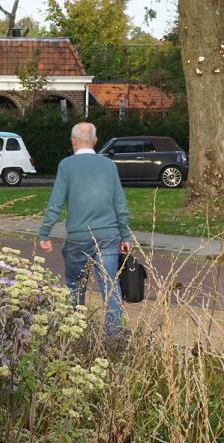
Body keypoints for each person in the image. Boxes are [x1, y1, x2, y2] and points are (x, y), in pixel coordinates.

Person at [38, 122, 134, 338]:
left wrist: (45, 232)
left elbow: (56, 202)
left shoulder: (66, 165)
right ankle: (115, 332)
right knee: (110, 286)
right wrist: (125, 234)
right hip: (109, 236)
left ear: (73, 141)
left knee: (75, 284)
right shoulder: (109, 165)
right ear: (96, 140)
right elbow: (120, 202)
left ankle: (75, 329)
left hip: (79, 237)